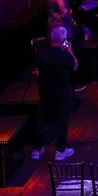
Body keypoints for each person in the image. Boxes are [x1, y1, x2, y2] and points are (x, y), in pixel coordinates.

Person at [32, 25, 78, 162]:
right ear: (64, 39)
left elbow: (37, 71)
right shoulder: (65, 56)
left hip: (45, 93)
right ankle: (60, 150)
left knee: (42, 120)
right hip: (62, 94)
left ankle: (36, 149)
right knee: (61, 121)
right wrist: (70, 51)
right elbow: (75, 67)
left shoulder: (41, 55)